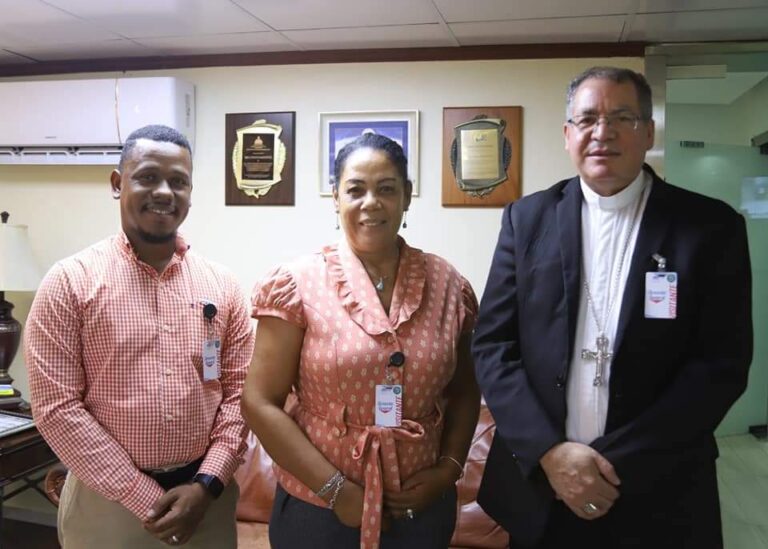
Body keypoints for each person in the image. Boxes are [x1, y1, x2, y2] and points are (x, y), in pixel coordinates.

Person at [472, 66, 753, 549]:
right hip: (543, 489)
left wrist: (613, 464)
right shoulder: (527, 219)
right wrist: (552, 454)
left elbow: (720, 366)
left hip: (660, 490)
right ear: (567, 135)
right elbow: (494, 346)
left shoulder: (709, 227)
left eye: (622, 117)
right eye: (587, 120)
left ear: (648, 132)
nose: (602, 132)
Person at [241, 133, 480, 549]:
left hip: (420, 508)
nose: (371, 202)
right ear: (335, 197)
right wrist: (336, 490)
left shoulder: (447, 284)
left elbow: (464, 391)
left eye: (387, 189)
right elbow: (259, 402)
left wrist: (447, 471)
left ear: (407, 196)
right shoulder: (297, 283)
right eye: (356, 189)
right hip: (318, 509)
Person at [24, 124, 255, 548]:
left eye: (178, 181)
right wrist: (144, 496)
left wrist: (207, 485)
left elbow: (241, 396)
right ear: (118, 183)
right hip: (108, 506)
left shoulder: (223, 286)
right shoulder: (70, 283)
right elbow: (57, 409)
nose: (164, 191)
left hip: (208, 503)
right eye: (148, 176)